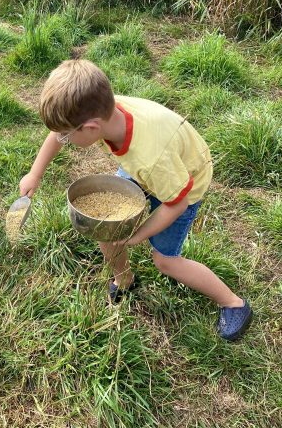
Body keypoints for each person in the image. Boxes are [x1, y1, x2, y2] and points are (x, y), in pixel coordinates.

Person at [19, 59, 252, 341]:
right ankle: (124, 279)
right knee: (105, 226)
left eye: (68, 136)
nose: (63, 140)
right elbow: (56, 134)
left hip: (182, 182)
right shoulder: (104, 113)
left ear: (91, 127)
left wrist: (138, 235)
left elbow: (175, 204)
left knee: (165, 261)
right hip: (145, 169)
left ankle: (234, 304)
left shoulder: (151, 156)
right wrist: (35, 173)